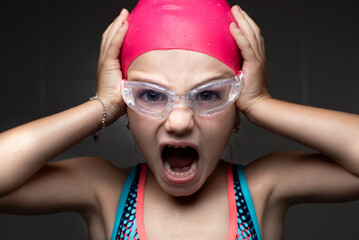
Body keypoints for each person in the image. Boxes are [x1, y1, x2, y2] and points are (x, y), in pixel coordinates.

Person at [1, 0, 359, 240]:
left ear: (238, 110)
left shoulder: (264, 188)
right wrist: (103, 105)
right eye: (151, 95)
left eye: (208, 95)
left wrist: (262, 104)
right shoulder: (104, 191)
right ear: (126, 111)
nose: (179, 121)